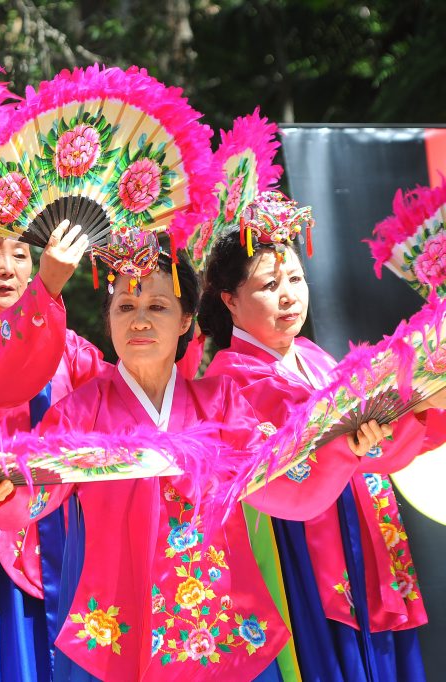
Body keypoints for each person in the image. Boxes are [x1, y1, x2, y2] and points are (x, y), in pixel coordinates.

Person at [0, 231, 307, 680]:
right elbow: (35, 495)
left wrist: (346, 447)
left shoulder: (223, 401)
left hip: (219, 619)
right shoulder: (81, 410)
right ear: (108, 318)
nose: (140, 321)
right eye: (126, 307)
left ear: (186, 318)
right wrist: (4, 491)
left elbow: (278, 481)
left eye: (158, 306)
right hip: (117, 621)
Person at [199, 191, 446, 681]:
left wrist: (421, 406)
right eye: (270, 284)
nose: (289, 295)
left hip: (363, 532)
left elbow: (367, 448)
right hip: (302, 549)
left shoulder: (313, 356)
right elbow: (298, 468)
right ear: (229, 300)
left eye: (295, 278)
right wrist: (361, 441)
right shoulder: (227, 381)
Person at [0, 221, 111, 680]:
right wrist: (48, 285)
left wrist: (179, 342)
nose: (9, 268)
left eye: (22, 255)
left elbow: (123, 396)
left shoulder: (68, 346)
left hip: (67, 536)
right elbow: (1, 371)